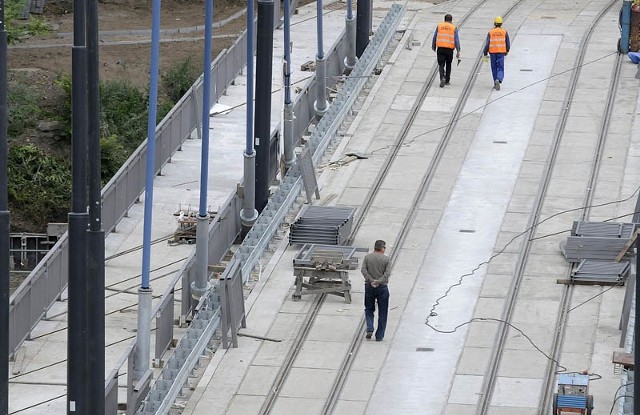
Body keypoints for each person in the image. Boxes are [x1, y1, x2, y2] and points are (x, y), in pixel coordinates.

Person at [361, 239, 391, 341]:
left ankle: (370, 327)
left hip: (369, 287)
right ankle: (379, 336)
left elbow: (363, 270)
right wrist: (378, 281)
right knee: (383, 312)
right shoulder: (386, 259)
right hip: (382, 288)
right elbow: (387, 274)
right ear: (382, 248)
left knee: (369, 309)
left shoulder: (367, 257)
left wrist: (371, 280)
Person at [432, 14, 461, 88]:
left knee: (441, 64)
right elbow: (456, 40)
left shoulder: (439, 26)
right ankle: (447, 80)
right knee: (448, 64)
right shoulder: (454, 28)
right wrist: (458, 50)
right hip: (449, 50)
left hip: (441, 48)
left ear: (444, 19)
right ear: (451, 20)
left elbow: (435, 36)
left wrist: (433, 46)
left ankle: (442, 77)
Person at [483, 16, 510, 91]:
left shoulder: (490, 32)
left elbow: (487, 44)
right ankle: (499, 79)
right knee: (500, 67)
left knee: (494, 67)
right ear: (501, 23)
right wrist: (507, 50)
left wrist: (485, 52)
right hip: (501, 52)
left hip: (492, 52)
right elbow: (507, 43)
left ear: (494, 23)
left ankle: (495, 81)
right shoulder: (504, 32)